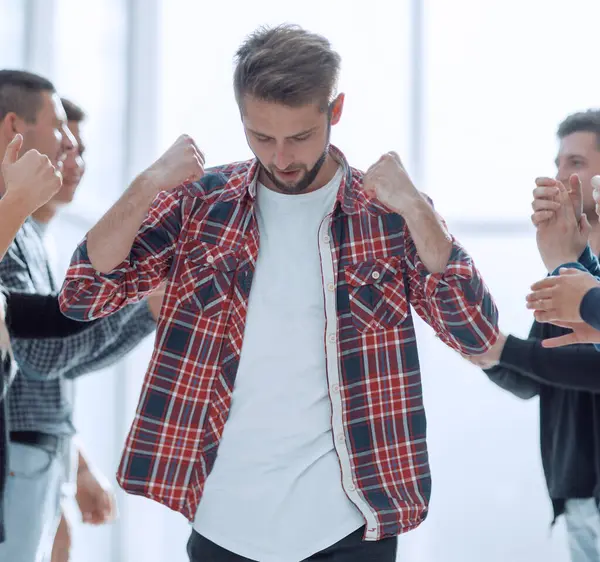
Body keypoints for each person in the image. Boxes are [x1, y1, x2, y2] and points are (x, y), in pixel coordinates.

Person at [59, 24, 499, 562]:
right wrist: (148, 183)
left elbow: (475, 333)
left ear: (335, 111)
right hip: (224, 521)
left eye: (300, 137)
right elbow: (83, 295)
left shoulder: (385, 213)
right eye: (261, 137)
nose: (281, 157)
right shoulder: (201, 205)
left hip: (352, 523)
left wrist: (418, 209)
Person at [0, 69, 161, 562]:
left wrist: (145, 305)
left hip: (36, 453)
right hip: (21, 455)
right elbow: (44, 352)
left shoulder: (36, 239)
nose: (72, 155)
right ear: (15, 129)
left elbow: (56, 346)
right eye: (63, 134)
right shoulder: (17, 235)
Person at [464, 110, 600, 562]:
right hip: (578, 496)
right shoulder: (570, 272)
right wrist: (487, 355)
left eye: (575, 162)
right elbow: (533, 377)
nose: (559, 176)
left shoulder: (573, 274)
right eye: (558, 162)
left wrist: (505, 349)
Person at [39, 98, 118, 562]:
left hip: (45, 463)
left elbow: (46, 378)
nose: (76, 164)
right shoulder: (16, 245)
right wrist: (147, 308)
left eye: (81, 150)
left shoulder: (47, 246)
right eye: (64, 148)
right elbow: (44, 359)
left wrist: (80, 466)